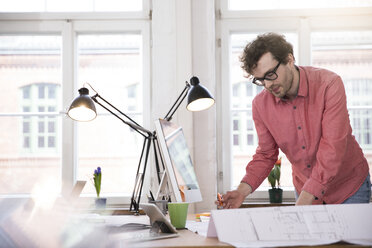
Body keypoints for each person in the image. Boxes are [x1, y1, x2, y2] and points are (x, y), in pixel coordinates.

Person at [220, 32, 371, 208]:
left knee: (347, 237)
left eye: (270, 74)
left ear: (289, 60)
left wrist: (305, 200)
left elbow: (333, 147)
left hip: (348, 188)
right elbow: (266, 155)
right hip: (305, 190)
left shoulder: (329, 84)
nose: (267, 85)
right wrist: (241, 191)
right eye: (260, 80)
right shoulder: (260, 105)